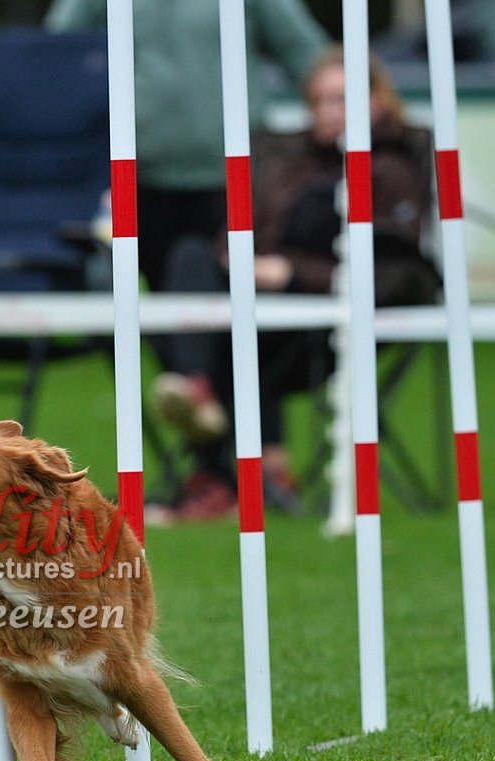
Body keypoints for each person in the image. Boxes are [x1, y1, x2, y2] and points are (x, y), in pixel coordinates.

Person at [150, 46, 440, 520]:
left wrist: (291, 274)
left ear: (377, 100)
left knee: (225, 339)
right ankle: (206, 404)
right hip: (254, 302)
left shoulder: (394, 167)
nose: (328, 111)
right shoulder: (287, 159)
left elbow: (396, 272)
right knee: (188, 261)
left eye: (341, 99)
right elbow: (237, 226)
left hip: (331, 315)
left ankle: (225, 470)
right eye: (319, 100)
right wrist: (236, 257)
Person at [44, 0, 327, 291]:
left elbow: (309, 58)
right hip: (137, 180)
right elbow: (55, 52)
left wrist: (328, 126)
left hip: (232, 181)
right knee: (151, 298)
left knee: (228, 298)